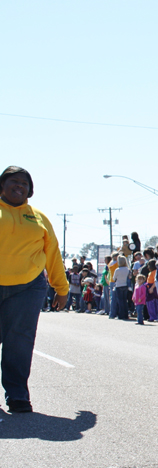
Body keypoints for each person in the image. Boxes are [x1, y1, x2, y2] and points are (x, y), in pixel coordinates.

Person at [0, 166, 69, 412]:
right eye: (13, 181)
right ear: (2, 186)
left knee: (19, 341)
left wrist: (61, 288)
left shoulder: (39, 217)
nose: (19, 186)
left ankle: (17, 394)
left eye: (24, 183)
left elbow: (52, 254)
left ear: (30, 190)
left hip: (28, 287)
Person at [113, 256, 130, 320]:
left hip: (119, 285)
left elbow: (114, 278)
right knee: (125, 301)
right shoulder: (127, 269)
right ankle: (126, 315)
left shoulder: (117, 270)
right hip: (125, 285)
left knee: (120, 302)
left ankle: (120, 315)